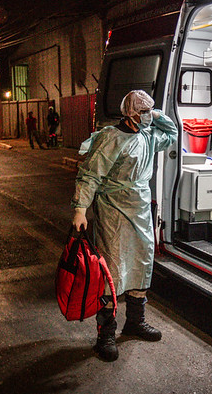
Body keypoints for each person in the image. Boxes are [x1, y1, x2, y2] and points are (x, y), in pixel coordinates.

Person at [71, 89, 177, 361]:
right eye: (142, 112)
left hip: (140, 209)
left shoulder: (147, 136)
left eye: (148, 111)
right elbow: (90, 175)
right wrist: (81, 209)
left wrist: (156, 114)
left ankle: (135, 322)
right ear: (129, 113)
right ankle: (105, 334)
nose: (147, 117)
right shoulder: (110, 138)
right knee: (112, 269)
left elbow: (173, 135)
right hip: (113, 211)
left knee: (142, 262)